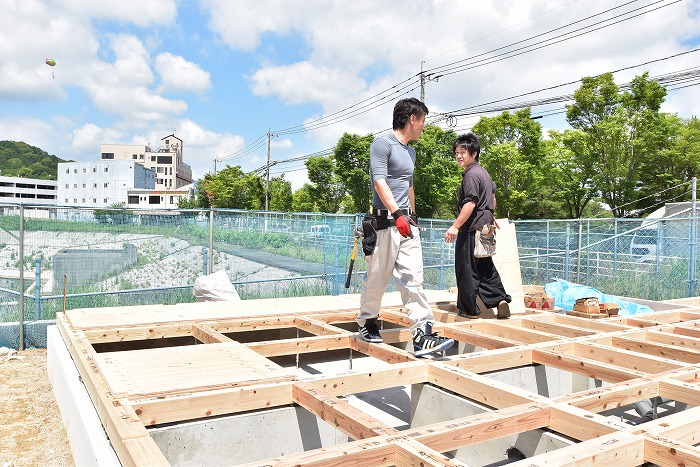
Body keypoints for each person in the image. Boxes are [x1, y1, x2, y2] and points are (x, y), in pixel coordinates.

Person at [356, 97, 455, 357]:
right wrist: (397, 213)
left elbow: (408, 185)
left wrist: (413, 215)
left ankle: (423, 333)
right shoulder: (382, 144)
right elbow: (380, 182)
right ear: (412, 118)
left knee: (414, 279)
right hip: (383, 223)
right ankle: (368, 322)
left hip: (406, 223)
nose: (423, 126)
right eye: (422, 121)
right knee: (377, 279)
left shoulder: (411, 151)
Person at [444, 132, 511, 319]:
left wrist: (455, 226)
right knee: (485, 267)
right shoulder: (484, 173)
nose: (458, 156)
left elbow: (470, 203)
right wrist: (490, 215)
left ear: (474, 153)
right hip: (486, 227)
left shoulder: (471, 175)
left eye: (463, 152)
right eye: (456, 152)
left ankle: (469, 310)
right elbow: (492, 198)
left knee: (467, 269)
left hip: (472, 229)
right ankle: (499, 300)